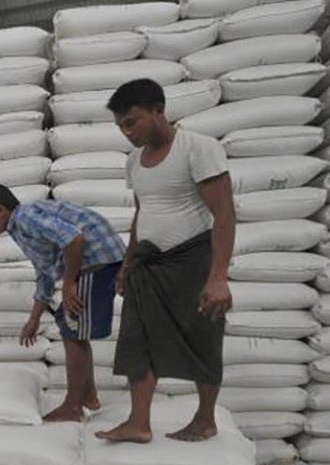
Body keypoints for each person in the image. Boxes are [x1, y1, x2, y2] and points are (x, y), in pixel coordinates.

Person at [96, 78, 235, 444]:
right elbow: (143, 212)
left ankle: (205, 420)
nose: (127, 132)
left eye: (132, 122)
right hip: (147, 264)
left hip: (193, 259)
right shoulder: (134, 161)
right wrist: (127, 262)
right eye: (120, 126)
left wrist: (218, 277)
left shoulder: (197, 148)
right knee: (137, 338)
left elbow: (224, 214)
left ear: (159, 111)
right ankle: (138, 422)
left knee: (202, 336)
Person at [0, 184, 126, 422]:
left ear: (0, 210)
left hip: (97, 259)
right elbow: (44, 272)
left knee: (72, 332)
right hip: (96, 261)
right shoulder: (20, 227)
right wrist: (34, 319)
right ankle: (89, 398)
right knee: (72, 328)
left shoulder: (25, 218)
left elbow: (73, 238)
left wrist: (69, 283)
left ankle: (73, 407)